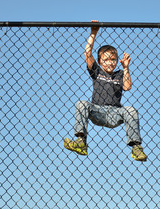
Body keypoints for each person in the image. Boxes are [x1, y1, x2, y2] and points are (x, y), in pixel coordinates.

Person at [63, 20, 147, 161]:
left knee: (131, 110)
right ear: (100, 61)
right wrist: (93, 33)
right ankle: (81, 142)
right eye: (106, 60)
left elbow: (127, 87)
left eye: (113, 59)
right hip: (97, 111)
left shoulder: (119, 74)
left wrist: (126, 68)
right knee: (82, 104)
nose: (110, 62)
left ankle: (136, 148)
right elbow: (87, 53)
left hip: (115, 113)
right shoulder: (97, 72)